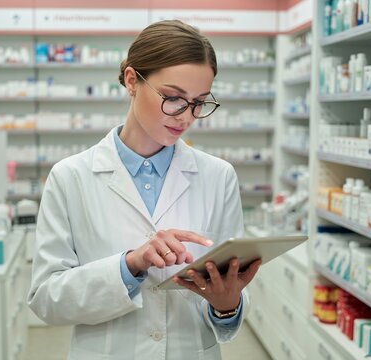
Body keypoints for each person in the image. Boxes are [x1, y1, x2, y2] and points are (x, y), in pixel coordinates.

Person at [27, 19, 262, 360]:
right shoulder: (70, 177)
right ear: (132, 80)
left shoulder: (218, 176)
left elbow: (229, 298)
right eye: (173, 98)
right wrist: (131, 264)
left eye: (198, 102)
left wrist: (227, 306)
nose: (185, 116)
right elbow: (47, 299)